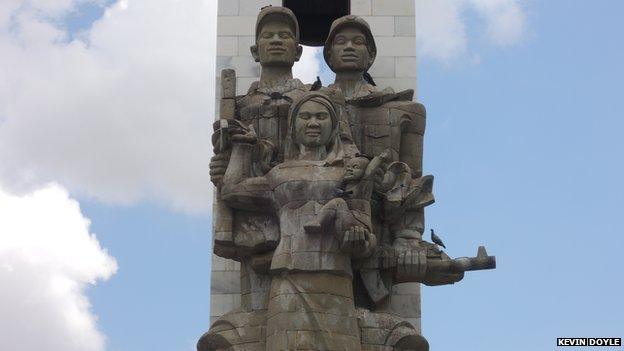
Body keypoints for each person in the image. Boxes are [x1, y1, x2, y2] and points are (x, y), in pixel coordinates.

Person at [218, 92, 374, 350]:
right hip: (288, 275)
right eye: (306, 116)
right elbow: (232, 190)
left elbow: (367, 236)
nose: (313, 123)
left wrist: (359, 238)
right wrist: (243, 147)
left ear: (333, 127)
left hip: (335, 275)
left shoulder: (349, 173)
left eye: (321, 116)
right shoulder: (279, 174)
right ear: (293, 126)